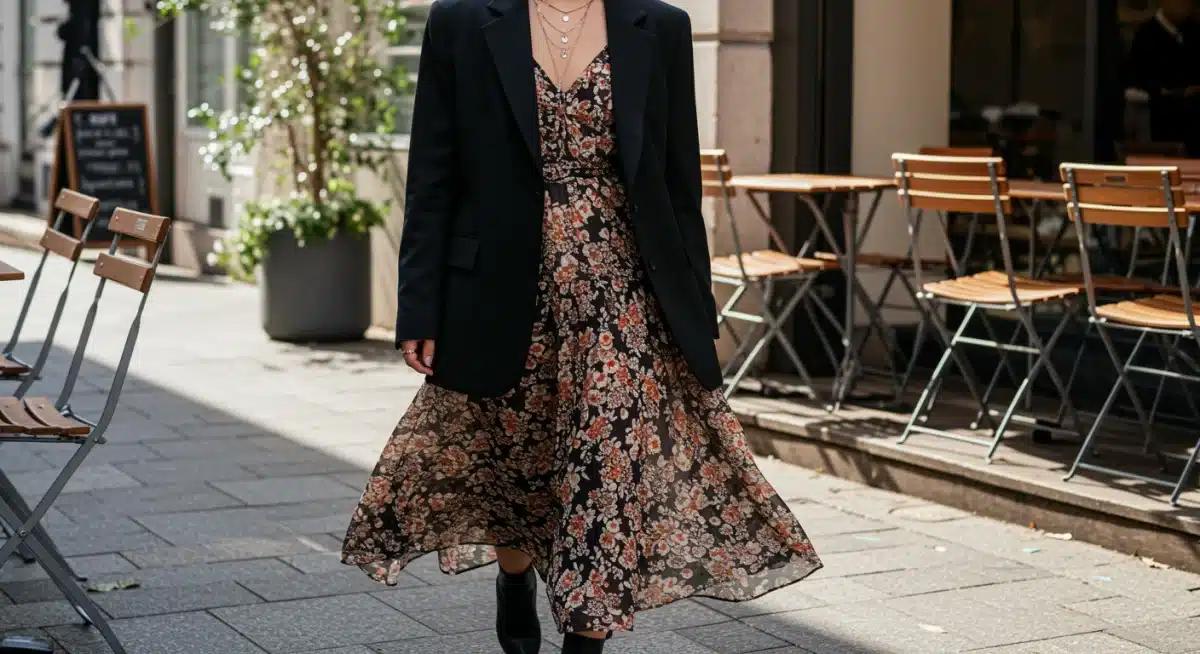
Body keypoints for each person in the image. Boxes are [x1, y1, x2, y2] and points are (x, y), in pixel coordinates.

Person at [340, 0, 822, 652]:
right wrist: (420, 307)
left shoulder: (662, 26)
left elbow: (678, 183)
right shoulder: (459, 21)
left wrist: (692, 308)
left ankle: (584, 639)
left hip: (621, 295)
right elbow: (433, 175)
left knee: (605, 471)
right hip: (499, 291)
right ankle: (515, 579)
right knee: (517, 463)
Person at [1126, 0, 1200, 155]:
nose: (1185, 5)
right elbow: (1136, 78)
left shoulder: (1193, 32)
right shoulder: (1146, 34)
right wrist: (1170, 92)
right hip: (1160, 113)